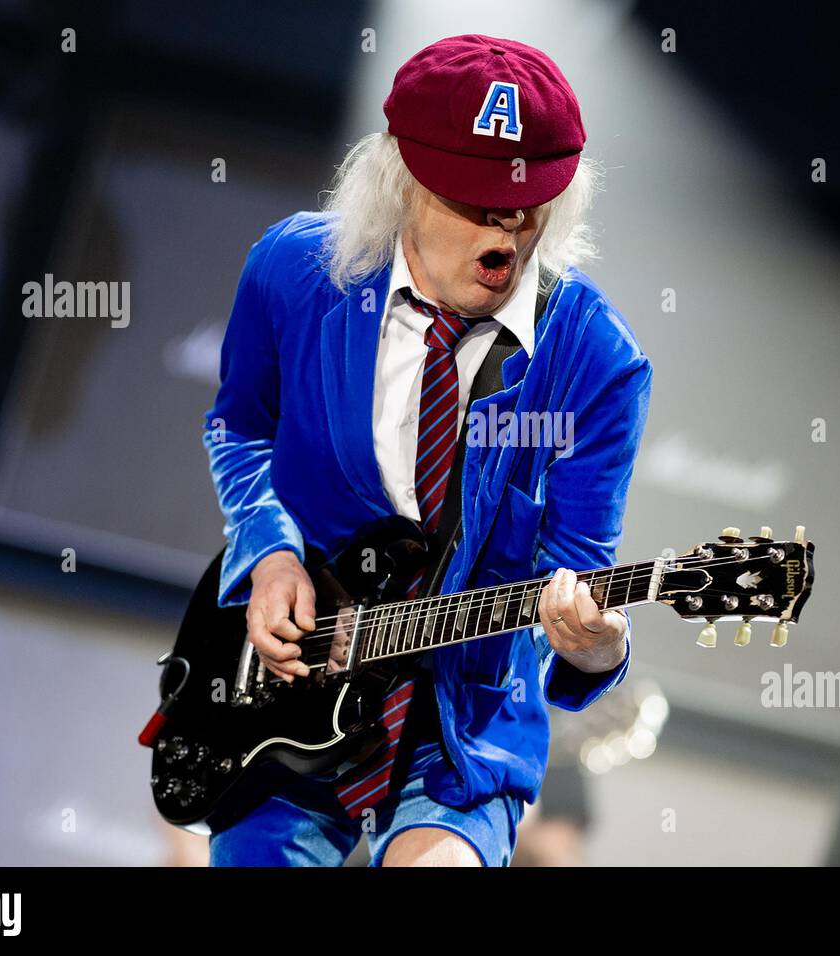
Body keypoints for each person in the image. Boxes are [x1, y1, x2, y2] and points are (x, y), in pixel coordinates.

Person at [203, 34, 652, 867]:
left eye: (527, 207)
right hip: (287, 698)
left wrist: (596, 648)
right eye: (478, 204)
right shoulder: (294, 270)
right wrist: (269, 556)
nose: (507, 234)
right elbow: (241, 429)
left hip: (462, 728)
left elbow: (578, 568)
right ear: (401, 181)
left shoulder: (597, 359)